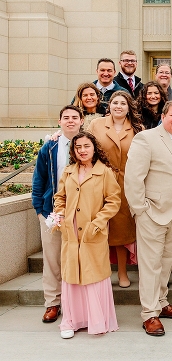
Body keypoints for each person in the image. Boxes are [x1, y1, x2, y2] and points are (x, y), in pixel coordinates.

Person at [124, 101, 172, 336]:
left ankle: (162, 303)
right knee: (150, 264)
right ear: (163, 116)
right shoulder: (146, 138)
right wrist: (140, 209)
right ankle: (149, 313)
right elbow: (134, 177)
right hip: (152, 212)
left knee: (167, 263)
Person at [53, 132, 121, 339]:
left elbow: (113, 201)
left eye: (86, 146)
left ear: (94, 148)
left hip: (93, 232)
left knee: (93, 274)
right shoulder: (68, 172)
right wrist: (60, 214)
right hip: (71, 231)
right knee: (72, 274)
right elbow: (60, 197)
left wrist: (97, 223)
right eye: (78, 147)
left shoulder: (105, 172)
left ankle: (96, 319)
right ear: (73, 151)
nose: (82, 150)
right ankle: (71, 321)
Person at [32, 105, 85, 325]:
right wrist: (39, 211)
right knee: (52, 260)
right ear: (59, 122)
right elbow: (39, 179)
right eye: (66, 118)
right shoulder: (50, 147)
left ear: (82, 120)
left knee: (77, 260)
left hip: (81, 214)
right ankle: (53, 303)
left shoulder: (88, 146)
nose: (70, 121)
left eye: (74, 117)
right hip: (52, 212)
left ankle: (76, 304)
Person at [87, 91, 144, 289]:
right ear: (109, 105)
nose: (119, 106)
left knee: (121, 232)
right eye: (115, 103)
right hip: (100, 183)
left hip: (126, 186)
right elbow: (84, 145)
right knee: (99, 227)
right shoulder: (96, 125)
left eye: (123, 103)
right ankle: (98, 272)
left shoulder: (138, 129)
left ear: (129, 107)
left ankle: (122, 272)